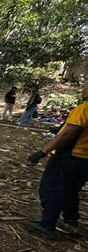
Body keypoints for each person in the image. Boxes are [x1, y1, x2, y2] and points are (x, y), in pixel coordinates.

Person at [26, 83, 88, 240]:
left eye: (86, 87)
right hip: (85, 161)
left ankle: (46, 225)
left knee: (53, 189)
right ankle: (70, 221)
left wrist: (42, 151)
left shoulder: (84, 108)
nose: (83, 90)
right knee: (71, 191)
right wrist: (60, 128)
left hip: (70, 157)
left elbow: (69, 133)